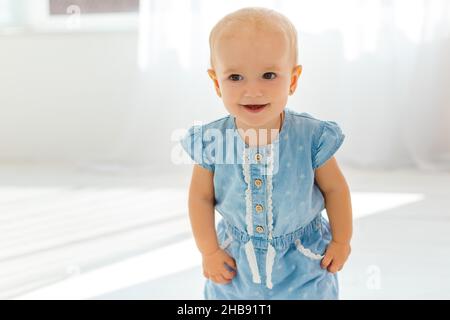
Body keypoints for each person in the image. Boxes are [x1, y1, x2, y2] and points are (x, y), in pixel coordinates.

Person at [179, 7, 352, 299]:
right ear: (216, 83)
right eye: (235, 77)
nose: (253, 90)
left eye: (268, 75)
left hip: (303, 263)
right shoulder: (212, 141)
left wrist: (341, 241)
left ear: (293, 80)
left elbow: (335, 189)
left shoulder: (310, 137)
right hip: (236, 263)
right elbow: (200, 197)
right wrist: (209, 251)